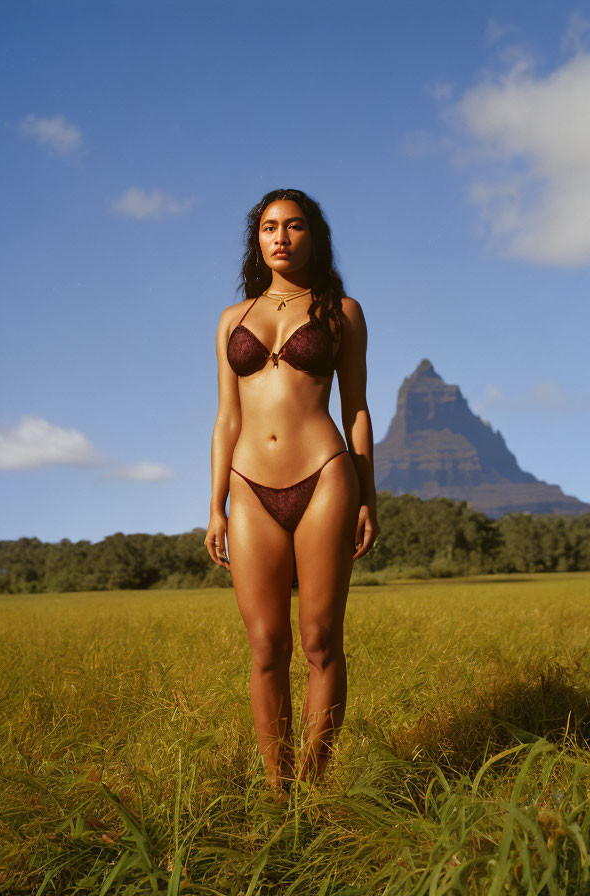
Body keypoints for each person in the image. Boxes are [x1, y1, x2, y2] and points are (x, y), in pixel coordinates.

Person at [204, 187, 378, 794]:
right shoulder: (234, 320)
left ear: (314, 236)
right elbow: (226, 419)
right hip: (249, 486)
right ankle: (280, 794)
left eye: (294, 226)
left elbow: (356, 409)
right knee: (265, 645)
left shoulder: (343, 311)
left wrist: (367, 497)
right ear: (258, 239)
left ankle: (315, 785)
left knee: (321, 641)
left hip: (326, 473)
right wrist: (215, 507)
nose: (280, 236)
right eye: (269, 227)